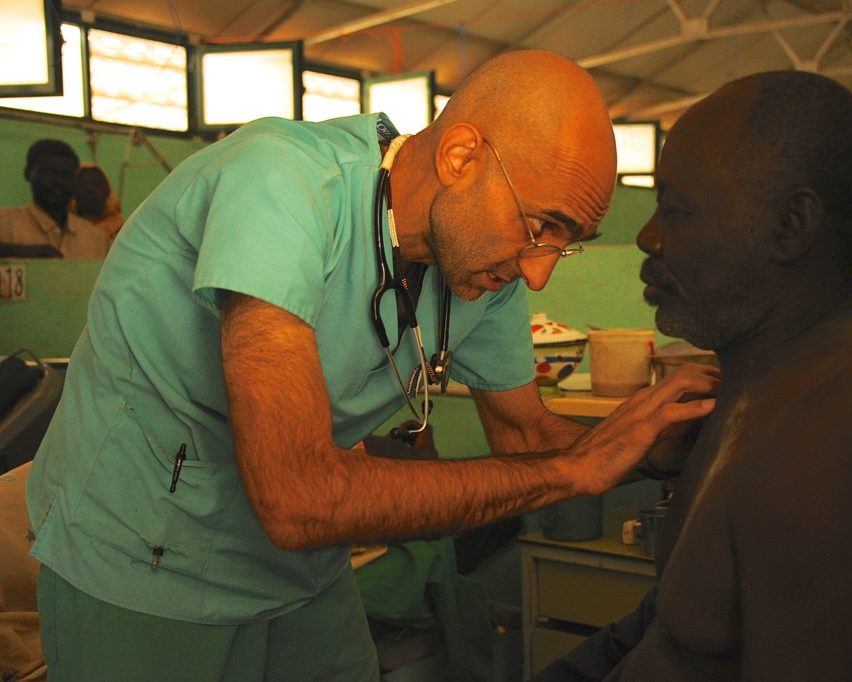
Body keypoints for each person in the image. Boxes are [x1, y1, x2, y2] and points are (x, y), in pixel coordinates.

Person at [25, 50, 717, 679]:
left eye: (562, 244)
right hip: (140, 550)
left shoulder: (482, 265)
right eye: (541, 228)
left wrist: (658, 445)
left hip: (294, 567)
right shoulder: (281, 184)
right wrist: (569, 471)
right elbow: (297, 496)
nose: (538, 275)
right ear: (460, 157)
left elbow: (526, 437)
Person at [539, 70, 852, 680]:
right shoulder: (755, 396)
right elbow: (668, 629)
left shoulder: (841, 455)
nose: (647, 237)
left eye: (675, 209)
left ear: (790, 226)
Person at [0, 139, 109, 259]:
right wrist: (18, 251)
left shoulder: (97, 238)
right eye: (49, 173)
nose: (59, 182)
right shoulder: (4, 223)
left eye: (67, 174)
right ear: (28, 173)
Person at [71, 163, 125, 241]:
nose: (90, 189)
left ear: (108, 190)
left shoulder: (123, 231)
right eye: (83, 184)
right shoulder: (64, 232)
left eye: (96, 184)